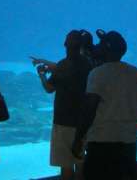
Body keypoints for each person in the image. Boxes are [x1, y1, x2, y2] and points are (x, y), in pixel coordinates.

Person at [72, 30, 137, 180]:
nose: (97, 47)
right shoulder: (135, 72)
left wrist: (78, 138)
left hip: (101, 139)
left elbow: (90, 108)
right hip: (128, 140)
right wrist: (133, 128)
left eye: (100, 44)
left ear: (106, 49)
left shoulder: (97, 73)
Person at [33, 30, 92, 180]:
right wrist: (46, 63)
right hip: (83, 122)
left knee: (66, 165)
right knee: (80, 162)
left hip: (63, 122)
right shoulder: (87, 64)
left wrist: (41, 76)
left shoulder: (63, 65)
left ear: (65, 45)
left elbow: (49, 88)